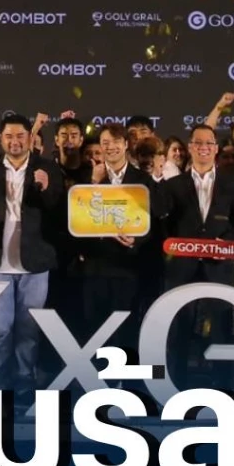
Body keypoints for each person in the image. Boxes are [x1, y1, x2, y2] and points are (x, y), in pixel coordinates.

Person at [0, 114, 66, 401]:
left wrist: (46, 189)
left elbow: (59, 211)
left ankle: (24, 381)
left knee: (29, 328)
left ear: (30, 138)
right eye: (9, 136)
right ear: (0, 139)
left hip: (35, 261)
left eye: (21, 135)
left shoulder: (47, 168)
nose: (15, 141)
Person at [157, 125, 234, 385]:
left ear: (216, 148)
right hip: (181, 268)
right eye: (198, 142)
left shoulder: (231, 183)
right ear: (190, 147)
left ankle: (224, 388)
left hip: (218, 266)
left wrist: (226, 244)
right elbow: (163, 225)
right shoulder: (173, 185)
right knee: (179, 328)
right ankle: (174, 386)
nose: (204, 147)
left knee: (220, 328)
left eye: (209, 143)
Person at [75, 124, 159, 342]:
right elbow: (77, 216)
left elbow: (153, 221)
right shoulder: (87, 178)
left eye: (116, 142)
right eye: (105, 143)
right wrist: (93, 183)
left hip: (128, 267)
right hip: (95, 265)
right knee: (95, 330)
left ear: (126, 144)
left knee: (126, 330)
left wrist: (136, 239)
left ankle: (125, 365)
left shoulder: (143, 180)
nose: (110, 147)